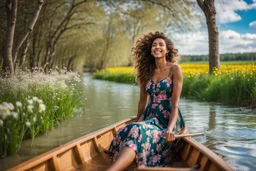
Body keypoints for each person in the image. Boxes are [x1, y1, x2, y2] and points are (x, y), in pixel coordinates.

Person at [105, 31, 186, 171]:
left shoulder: (175, 69)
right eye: (154, 45)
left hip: (168, 119)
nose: (157, 47)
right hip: (149, 117)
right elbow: (142, 101)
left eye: (161, 45)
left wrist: (170, 129)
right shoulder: (145, 72)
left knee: (137, 130)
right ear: (151, 50)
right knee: (128, 129)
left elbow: (175, 103)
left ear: (167, 50)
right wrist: (138, 120)